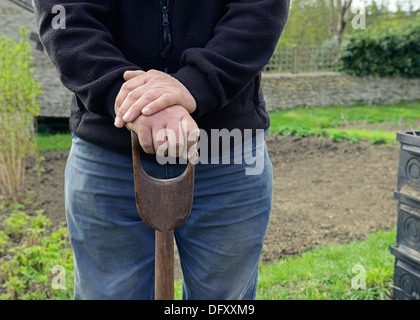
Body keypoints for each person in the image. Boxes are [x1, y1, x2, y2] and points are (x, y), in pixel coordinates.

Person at [34, 0, 289, 300]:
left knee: (224, 298)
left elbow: (259, 11)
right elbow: (65, 17)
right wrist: (123, 95)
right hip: (109, 150)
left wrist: (196, 84)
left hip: (226, 148)